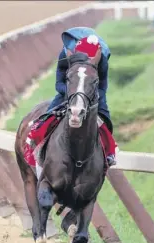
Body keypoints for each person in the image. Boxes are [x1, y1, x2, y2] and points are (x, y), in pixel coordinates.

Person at [47, 27, 117, 167]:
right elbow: (58, 83)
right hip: (70, 90)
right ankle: (36, 143)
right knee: (48, 114)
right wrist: (73, 94)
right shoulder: (65, 55)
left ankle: (109, 153)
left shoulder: (101, 59)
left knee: (106, 118)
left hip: (92, 91)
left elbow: (103, 87)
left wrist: (89, 97)